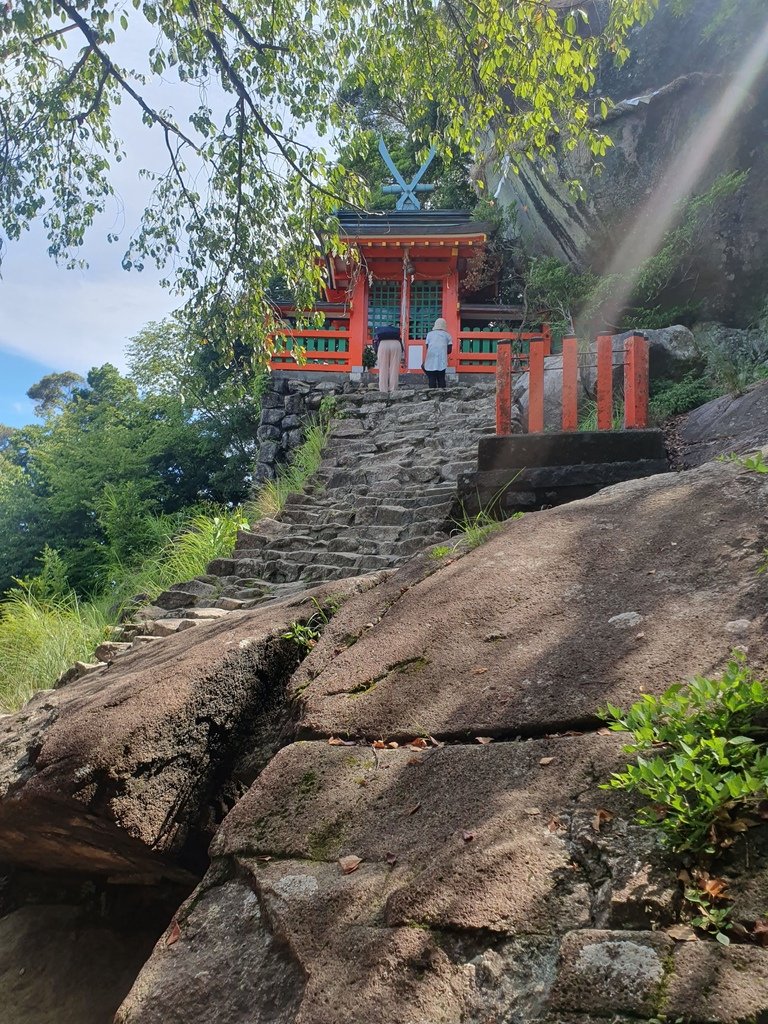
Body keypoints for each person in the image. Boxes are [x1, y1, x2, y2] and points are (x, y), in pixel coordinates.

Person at [422, 317, 452, 389]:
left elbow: (427, 346)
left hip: (431, 357)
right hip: (442, 358)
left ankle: (432, 392)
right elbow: (449, 350)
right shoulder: (447, 335)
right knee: (441, 376)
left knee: (431, 376)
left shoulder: (429, 334)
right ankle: (442, 393)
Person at [374, 324, 403, 394]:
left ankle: (383, 390)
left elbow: (375, 341)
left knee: (383, 368)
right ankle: (393, 389)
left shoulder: (381, 333)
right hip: (396, 344)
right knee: (394, 368)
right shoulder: (396, 333)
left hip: (383, 344)